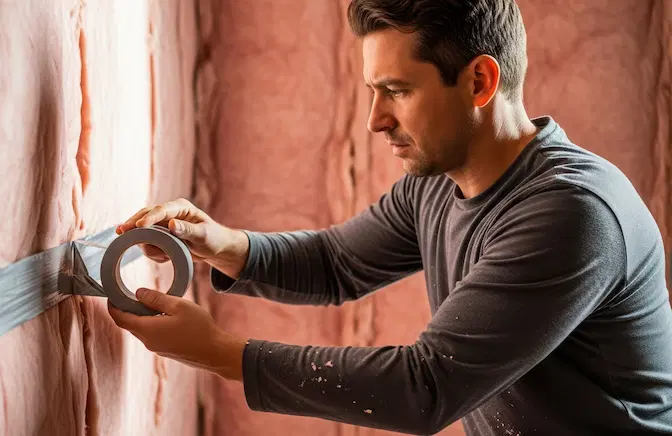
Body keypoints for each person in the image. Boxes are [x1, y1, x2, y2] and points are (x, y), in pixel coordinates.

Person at [108, 0, 672, 434]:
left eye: (396, 92)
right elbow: (335, 262)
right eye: (372, 92)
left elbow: (425, 388)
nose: (375, 121)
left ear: (480, 81)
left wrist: (219, 354)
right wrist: (217, 242)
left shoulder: (572, 213)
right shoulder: (434, 186)